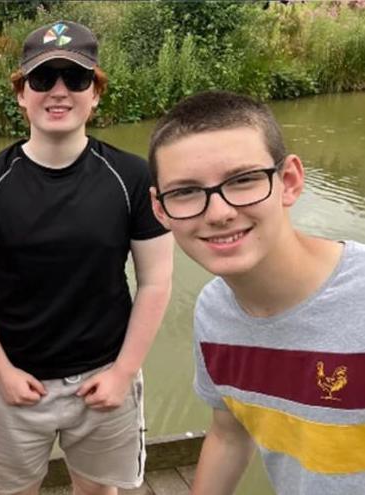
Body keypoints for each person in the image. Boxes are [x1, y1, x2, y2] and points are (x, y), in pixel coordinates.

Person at [0, 20, 174, 495]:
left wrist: (123, 372)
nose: (58, 91)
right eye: (42, 79)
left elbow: (156, 281)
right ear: (21, 93)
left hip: (104, 378)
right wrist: (2, 371)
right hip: (15, 379)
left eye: (74, 79)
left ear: (95, 93)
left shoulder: (132, 178)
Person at [148, 90, 365, 495]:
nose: (219, 213)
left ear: (289, 181)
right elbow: (230, 434)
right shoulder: (214, 313)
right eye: (185, 192)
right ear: (160, 211)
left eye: (243, 180)